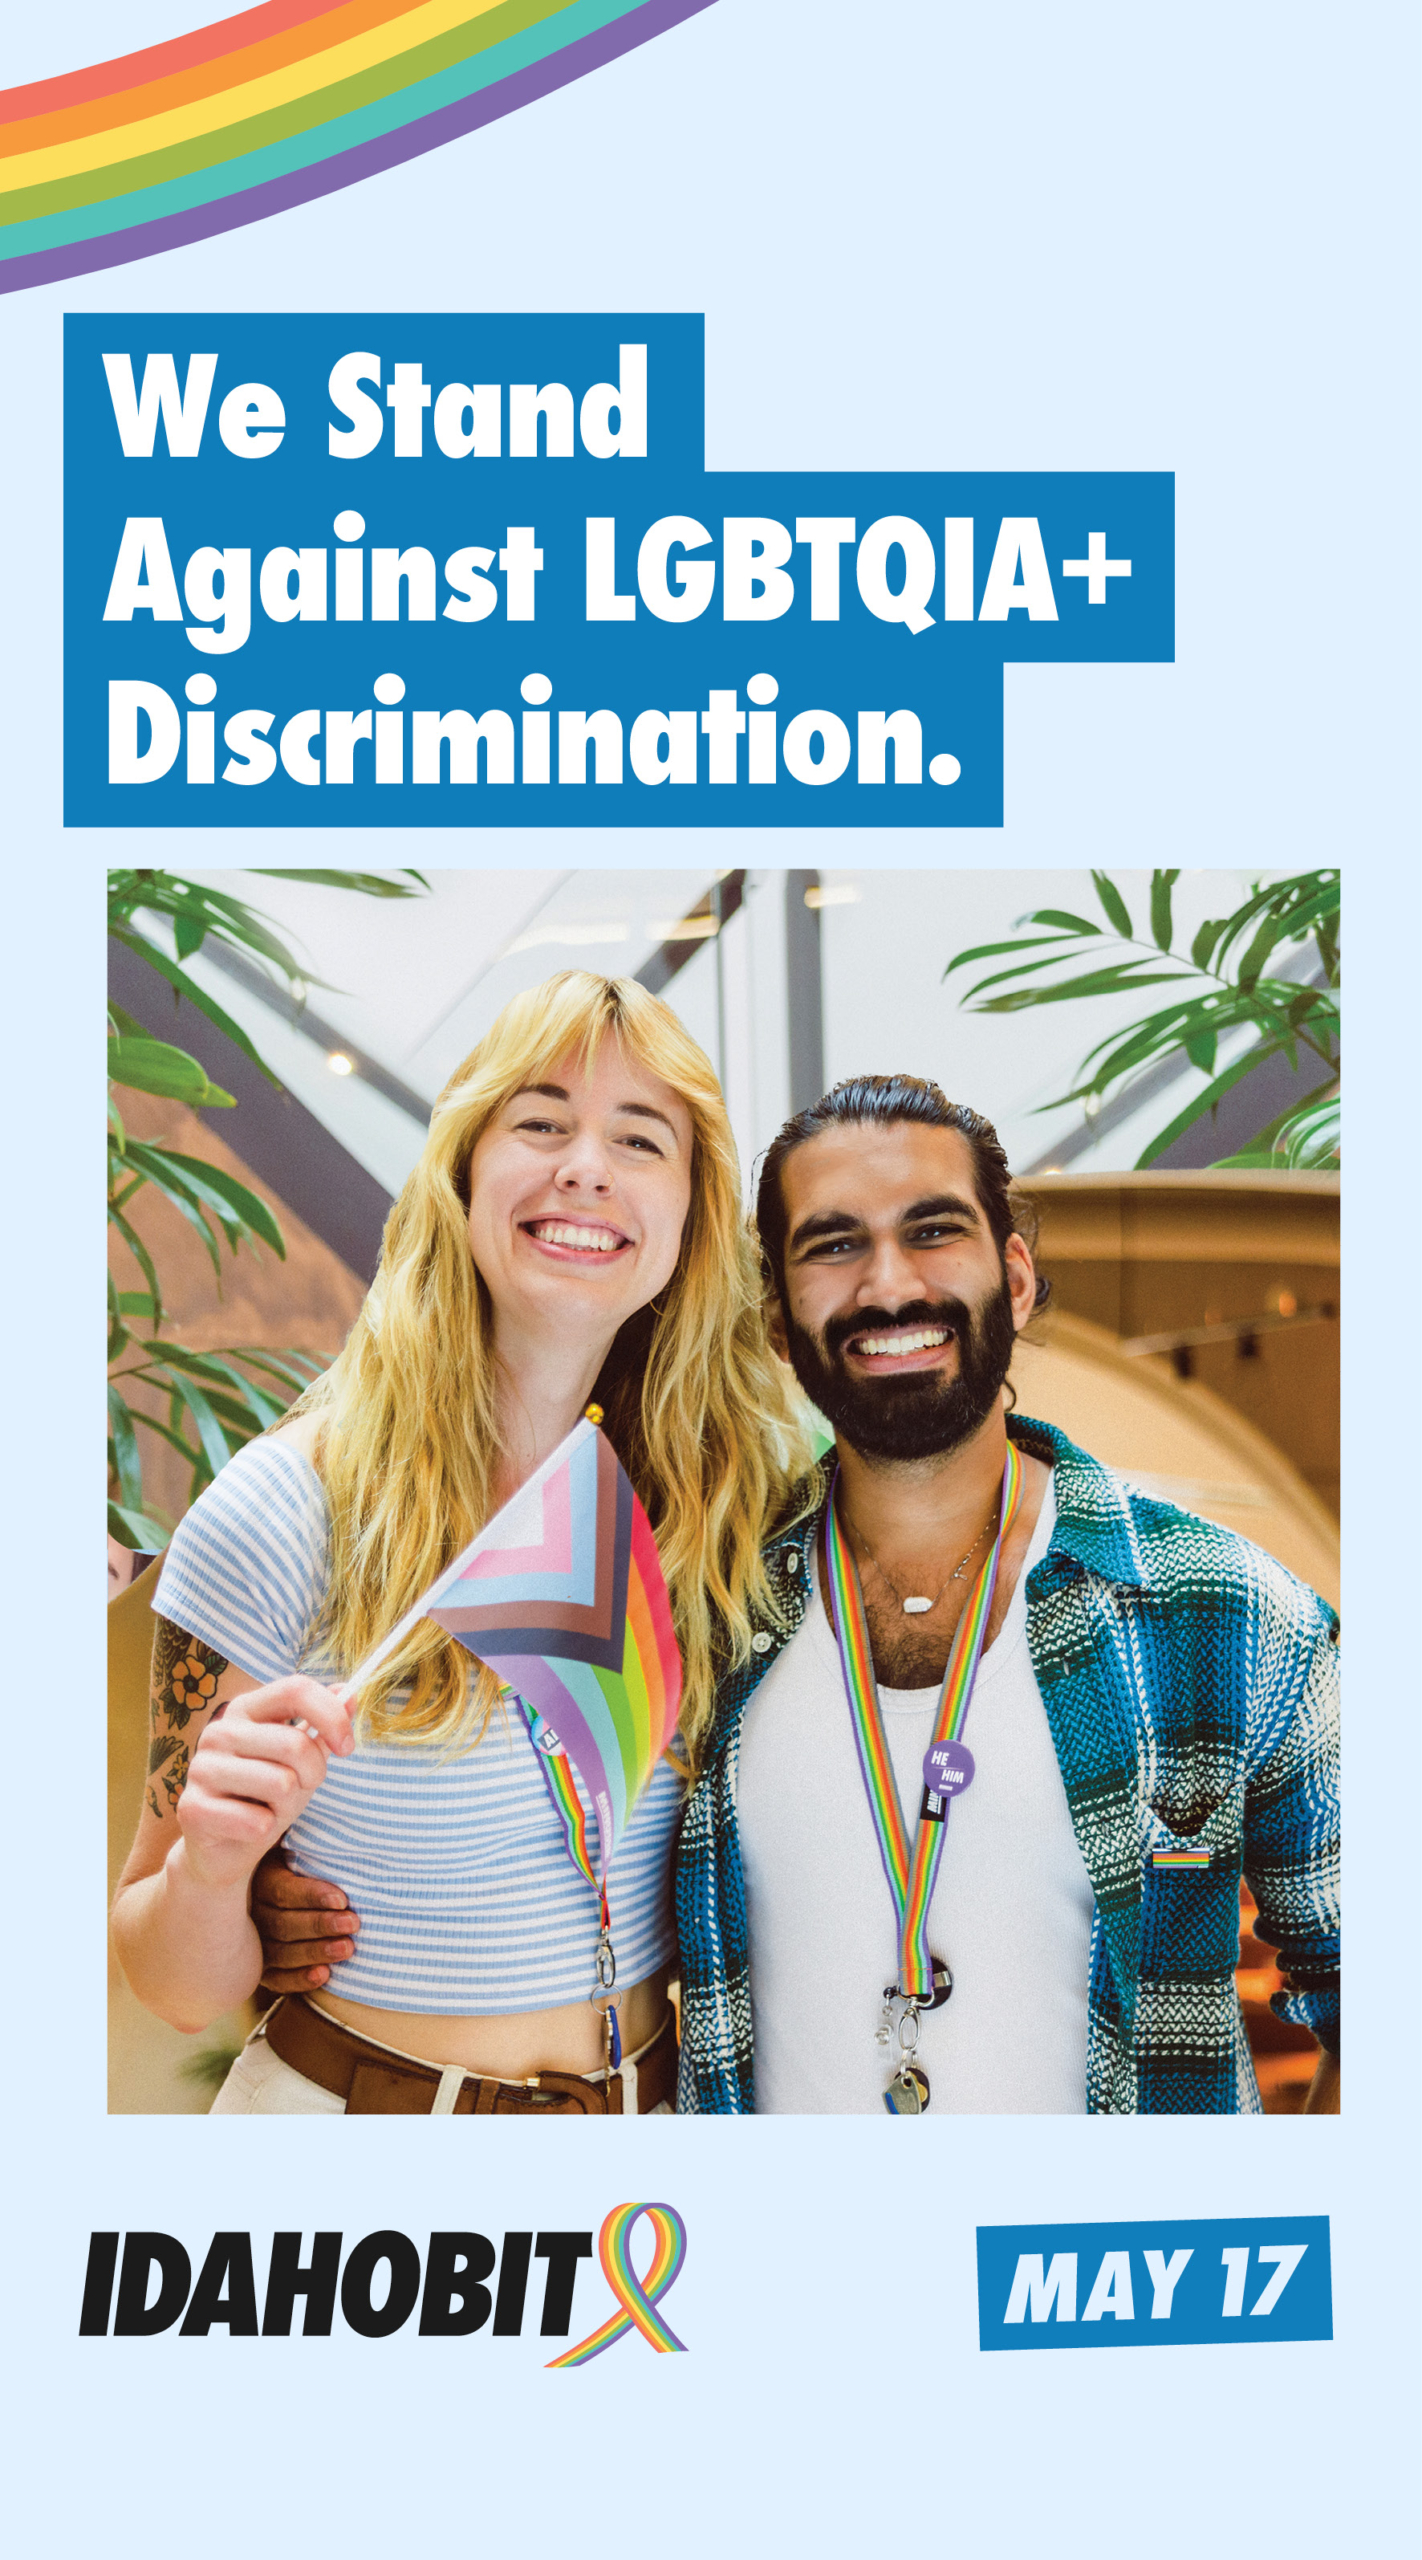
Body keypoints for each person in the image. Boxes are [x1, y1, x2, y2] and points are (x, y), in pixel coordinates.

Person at [111, 972, 811, 2115]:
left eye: (640, 1138)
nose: (585, 1164)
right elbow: (169, 1983)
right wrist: (213, 1862)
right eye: (539, 1122)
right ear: (464, 1170)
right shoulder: (287, 1507)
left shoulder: (716, 1505)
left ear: (688, 1214)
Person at [671, 1074, 1341, 2115]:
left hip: (1100, 2273)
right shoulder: (704, 1613)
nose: (889, 1285)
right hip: (790, 2270)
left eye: (932, 1230)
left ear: (1016, 1278)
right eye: (833, 1244)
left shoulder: (1230, 1613)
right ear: (776, 1317)